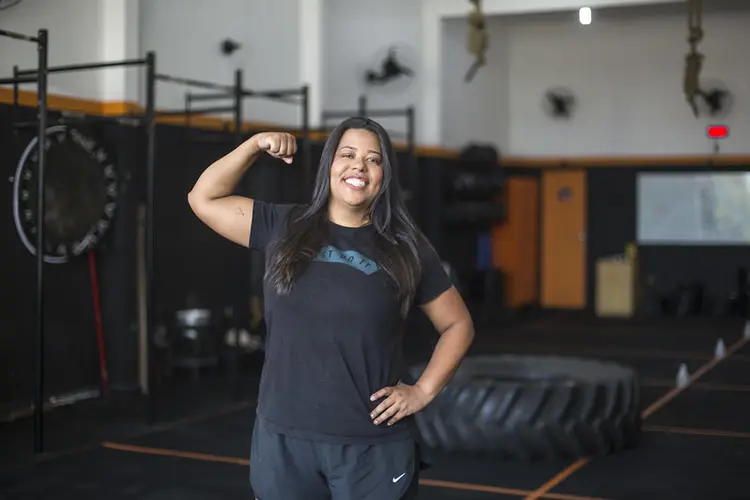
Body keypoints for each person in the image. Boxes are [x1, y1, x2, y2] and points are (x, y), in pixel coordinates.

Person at [187, 117, 475, 499]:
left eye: (373, 160)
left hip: (371, 446)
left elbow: (458, 325)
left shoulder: (406, 248)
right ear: (330, 165)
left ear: (384, 176)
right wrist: (254, 145)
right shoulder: (283, 225)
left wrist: (422, 391)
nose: (359, 166)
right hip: (284, 440)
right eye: (348, 154)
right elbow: (202, 198)